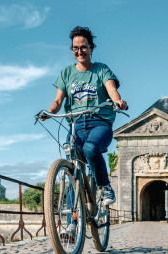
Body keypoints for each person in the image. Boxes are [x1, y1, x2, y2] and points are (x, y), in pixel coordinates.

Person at [44, 26, 127, 206]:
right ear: (72, 49)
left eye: (83, 47)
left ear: (91, 48)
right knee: (73, 168)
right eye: (76, 48)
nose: (80, 51)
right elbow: (58, 101)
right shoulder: (66, 73)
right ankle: (71, 224)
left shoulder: (101, 69)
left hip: (100, 122)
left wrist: (118, 101)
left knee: (90, 149)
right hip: (76, 125)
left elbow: (111, 89)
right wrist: (49, 112)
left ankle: (105, 187)